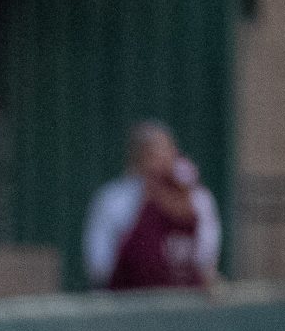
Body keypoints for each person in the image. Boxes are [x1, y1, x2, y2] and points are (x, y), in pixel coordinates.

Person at [85, 121, 220, 291]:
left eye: (166, 151)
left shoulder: (197, 198)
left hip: (183, 299)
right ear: (137, 159)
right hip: (129, 300)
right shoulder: (115, 199)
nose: (160, 162)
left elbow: (207, 258)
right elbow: (100, 264)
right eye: (152, 155)